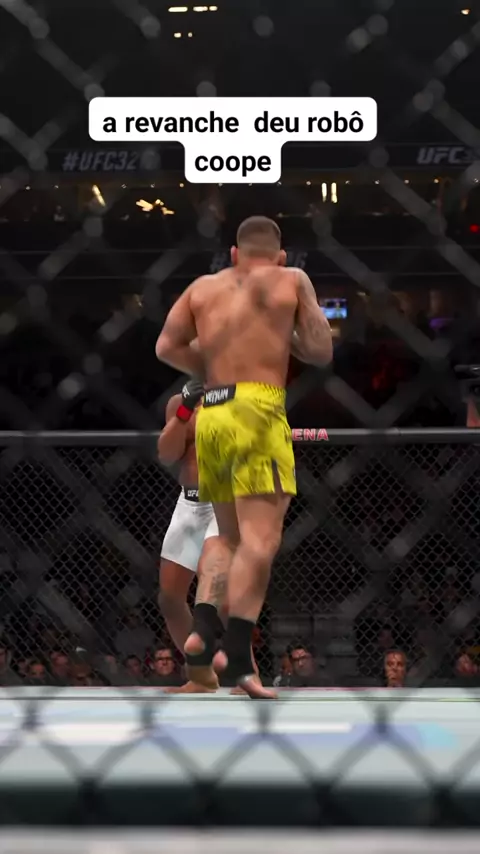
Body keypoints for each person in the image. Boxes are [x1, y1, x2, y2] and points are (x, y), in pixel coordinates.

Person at [155, 215, 332, 699]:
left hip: (213, 412)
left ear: (233, 255)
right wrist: (283, 334)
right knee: (262, 539)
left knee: (228, 537)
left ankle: (202, 629)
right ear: (280, 256)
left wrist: (213, 365)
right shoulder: (292, 278)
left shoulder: (202, 288)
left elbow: (166, 346)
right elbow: (321, 351)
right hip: (258, 407)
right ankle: (236, 653)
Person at [158, 380, 260, 693]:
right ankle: (200, 675)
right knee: (170, 598)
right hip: (188, 503)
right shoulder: (179, 402)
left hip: (226, 502)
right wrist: (185, 411)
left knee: (225, 599)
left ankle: (248, 674)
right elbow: (167, 455)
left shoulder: (242, 399)